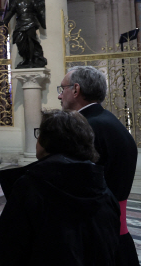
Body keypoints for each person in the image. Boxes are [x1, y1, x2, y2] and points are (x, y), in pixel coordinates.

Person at [0, 110, 120, 266]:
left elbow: (7, 247)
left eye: (39, 134)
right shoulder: (99, 183)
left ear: (50, 141)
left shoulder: (31, 186)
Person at [58, 66, 139, 266]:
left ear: (76, 90)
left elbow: (73, 184)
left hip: (94, 239)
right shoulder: (109, 120)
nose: (60, 96)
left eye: (62, 89)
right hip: (116, 234)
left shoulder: (85, 127)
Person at [0, 0, 47, 69]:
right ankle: (25, 58)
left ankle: (31, 60)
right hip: (20, 23)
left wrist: (41, 21)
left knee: (31, 41)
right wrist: (4, 21)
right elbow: (11, 12)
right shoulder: (17, 0)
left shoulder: (32, 0)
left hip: (30, 22)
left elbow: (38, 11)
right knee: (20, 41)